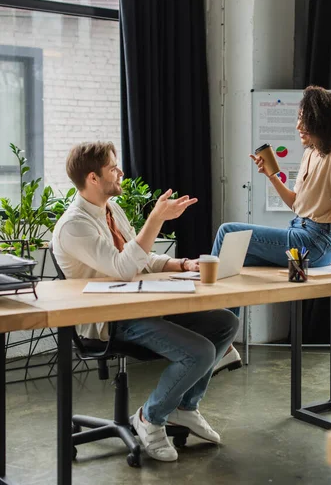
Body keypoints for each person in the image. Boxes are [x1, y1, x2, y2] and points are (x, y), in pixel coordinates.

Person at [52, 141, 239, 462]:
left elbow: (138, 258)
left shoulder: (111, 209)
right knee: (200, 352)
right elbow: (123, 266)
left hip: (142, 306)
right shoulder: (74, 225)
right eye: (113, 168)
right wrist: (156, 219)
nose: (120, 172)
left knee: (224, 322)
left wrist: (182, 265)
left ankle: (184, 408)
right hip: (110, 320)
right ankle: (150, 417)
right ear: (93, 178)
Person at [212, 86, 331, 315]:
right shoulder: (310, 153)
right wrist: (271, 176)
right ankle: (225, 336)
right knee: (233, 261)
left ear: (320, 122)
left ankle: (213, 323)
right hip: (300, 231)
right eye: (299, 120)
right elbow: (296, 204)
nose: (298, 127)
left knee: (228, 232)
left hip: (316, 241)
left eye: (304, 121)